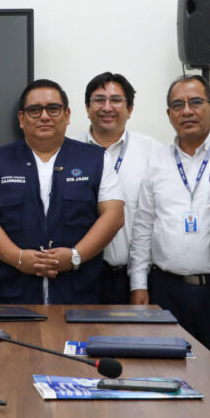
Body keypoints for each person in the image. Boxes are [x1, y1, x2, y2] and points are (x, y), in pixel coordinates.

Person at [128, 74, 210, 385]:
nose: (186, 111)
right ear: (169, 113)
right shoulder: (157, 159)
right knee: (168, 379)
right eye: (177, 105)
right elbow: (144, 225)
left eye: (195, 102)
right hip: (167, 289)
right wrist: (138, 284)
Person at [0, 79, 124, 304]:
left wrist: (75, 256)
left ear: (67, 115)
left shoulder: (96, 159)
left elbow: (114, 215)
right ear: (22, 119)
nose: (44, 116)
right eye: (34, 110)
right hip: (12, 293)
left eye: (53, 109)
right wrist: (18, 258)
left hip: (79, 292)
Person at [75, 72, 162, 304]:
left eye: (115, 100)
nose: (107, 107)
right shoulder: (68, 151)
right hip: (78, 277)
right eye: (98, 100)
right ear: (87, 108)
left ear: (130, 109)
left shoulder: (153, 152)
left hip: (136, 278)